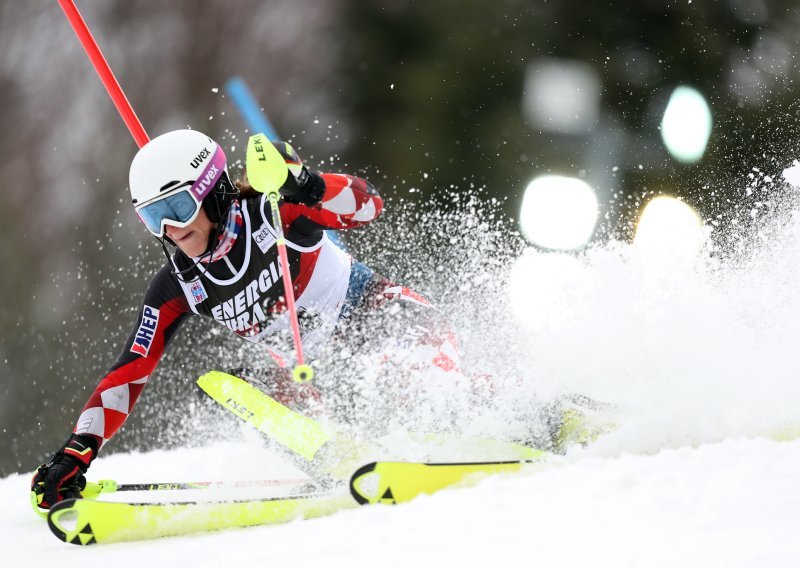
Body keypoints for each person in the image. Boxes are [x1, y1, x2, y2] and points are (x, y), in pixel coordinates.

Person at [31, 129, 464, 509]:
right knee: (231, 389)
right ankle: (342, 454)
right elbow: (129, 372)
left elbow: (369, 205)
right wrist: (77, 450)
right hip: (318, 377)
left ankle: (487, 415)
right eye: (152, 217)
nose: (170, 229)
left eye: (178, 208)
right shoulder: (179, 284)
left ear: (212, 191)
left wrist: (307, 185)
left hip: (385, 320)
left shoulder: (275, 212)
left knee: (417, 384)